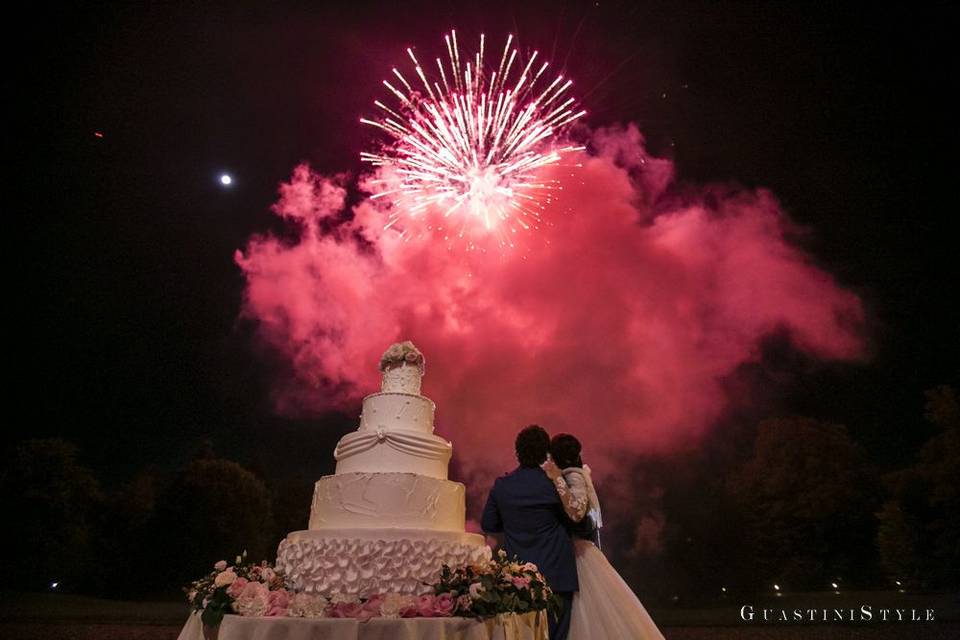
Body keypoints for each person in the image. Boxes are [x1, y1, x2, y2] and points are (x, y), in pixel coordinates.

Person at [543, 433, 666, 640]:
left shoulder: (573, 476)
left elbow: (577, 512)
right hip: (577, 549)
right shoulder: (576, 474)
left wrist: (556, 479)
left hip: (578, 553)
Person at [481, 425, 578, 640]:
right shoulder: (555, 484)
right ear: (547, 453)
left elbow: (488, 523)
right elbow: (575, 519)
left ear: (517, 453)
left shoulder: (503, 485)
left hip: (519, 579)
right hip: (557, 575)